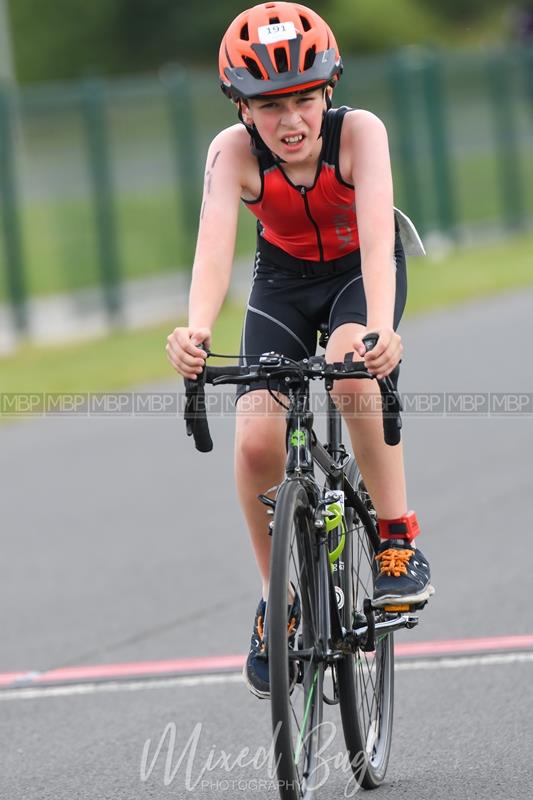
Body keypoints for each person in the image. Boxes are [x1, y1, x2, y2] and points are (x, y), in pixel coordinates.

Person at [166, 1, 434, 699]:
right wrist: (195, 332)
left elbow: (378, 240)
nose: (289, 122)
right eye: (267, 105)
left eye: (303, 100)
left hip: (356, 277)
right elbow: (212, 252)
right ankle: (275, 602)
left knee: (350, 375)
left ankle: (397, 535)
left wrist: (379, 327)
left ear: (328, 91)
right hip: (282, 283)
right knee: (256, 439)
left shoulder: (359, 135)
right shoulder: (230, 154)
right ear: (240, 109)